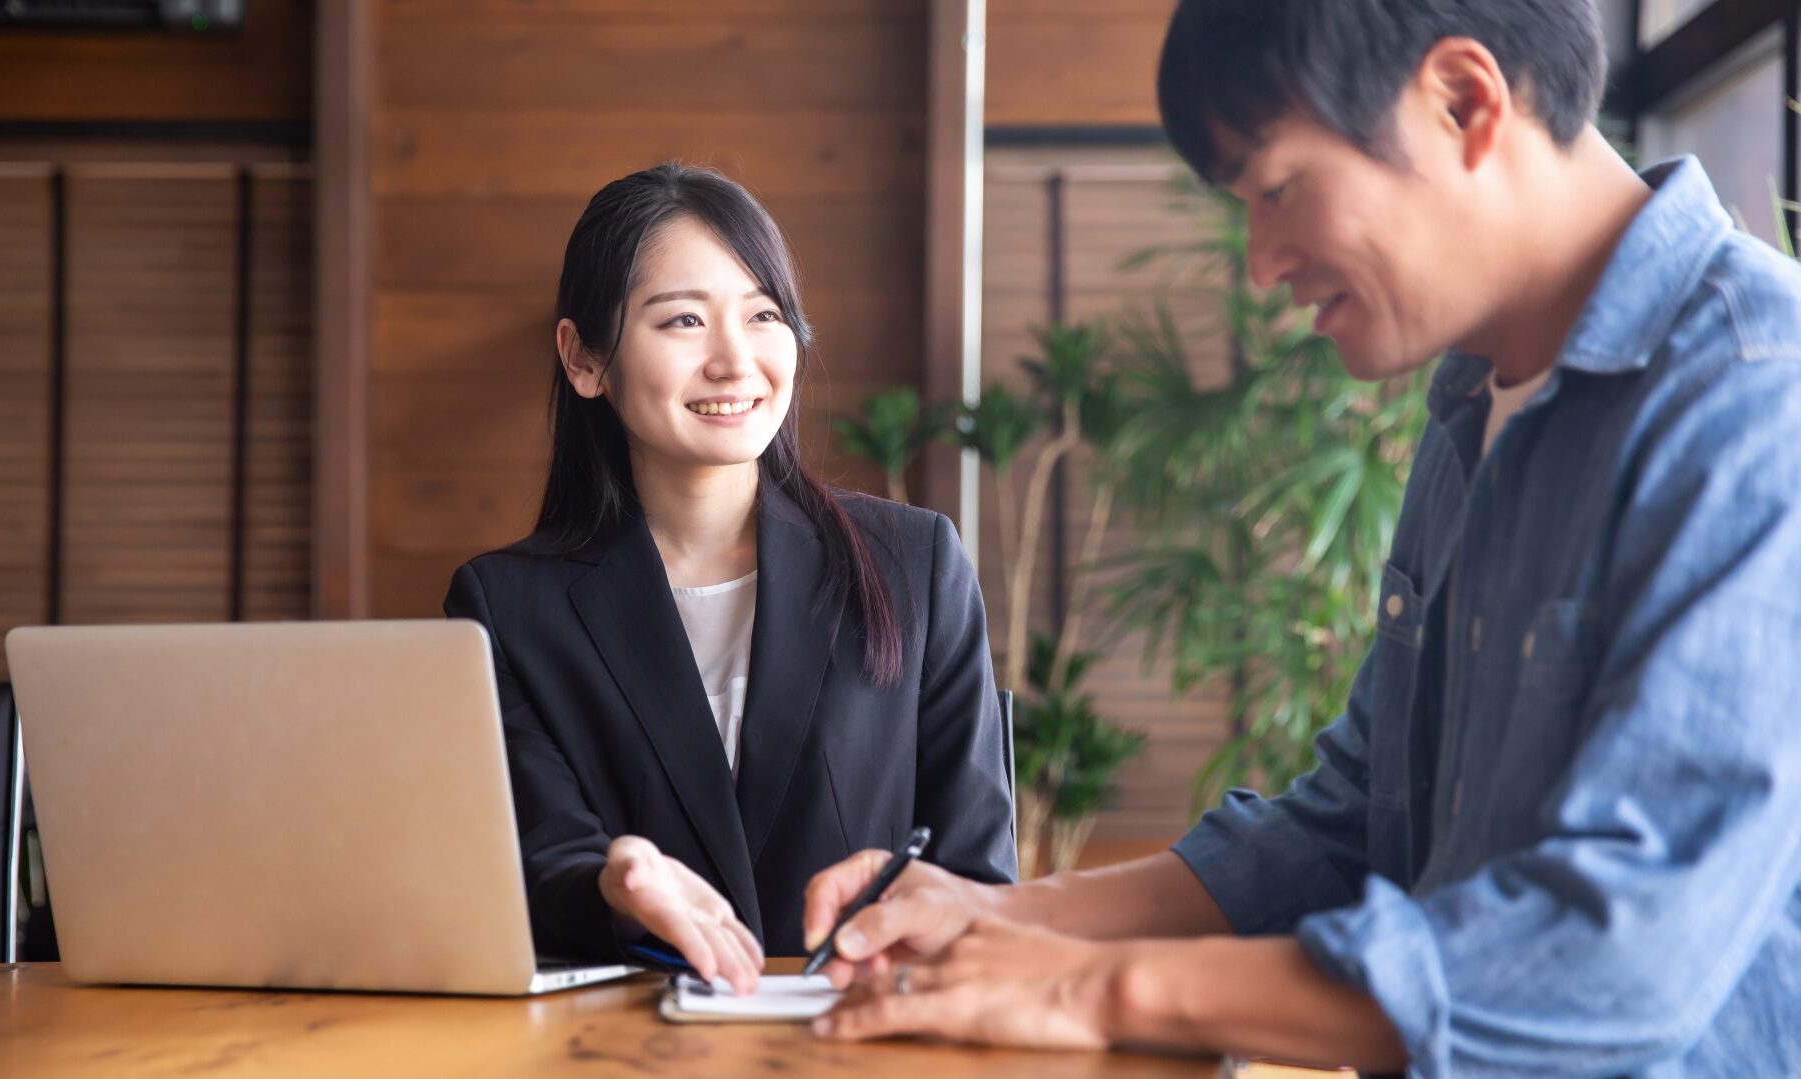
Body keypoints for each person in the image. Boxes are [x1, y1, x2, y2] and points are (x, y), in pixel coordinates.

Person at [800, 1, 1801, 1073]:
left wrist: (1099, 988)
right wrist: (1005, 916)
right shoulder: (1475, 399)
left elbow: (1619, 955)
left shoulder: (1755, 399)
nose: (1262, 263)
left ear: (1462, 101)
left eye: (1277, 189)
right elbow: (1354, 824)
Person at [444, 164, 1016, 994]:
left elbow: (975, 876)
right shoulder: (507, 606)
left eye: (763, 315)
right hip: (624, 1045)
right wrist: (615, 884)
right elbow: (537, 869)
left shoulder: (915, 563)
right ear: (584, 357)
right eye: (683, 319)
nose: (735, 359)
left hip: (859, 1041)